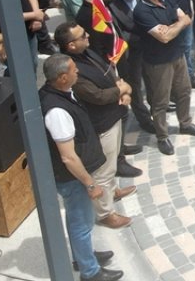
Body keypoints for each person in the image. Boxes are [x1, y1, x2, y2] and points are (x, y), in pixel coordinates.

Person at [38, 55, 125, 281]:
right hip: (72, 178)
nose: (79, 73)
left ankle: (83, 255)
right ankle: (90, 272)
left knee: (79, 220)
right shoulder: (56, 111)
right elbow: (68, 157)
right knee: (82, 223)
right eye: (75, 71)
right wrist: (90, 183)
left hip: (74, 176)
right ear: (63, 77)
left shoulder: (59, 94)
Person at [55, 22, 135, 230]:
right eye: (82, 35)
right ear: (71, 46)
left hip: (114, 113)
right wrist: (121, 90)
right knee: (103, 169)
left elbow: (109, 73)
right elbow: (95, 96)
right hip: (101, 124)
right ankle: (105, 213)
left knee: (112, 162)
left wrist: (123, 90)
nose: (88, 36)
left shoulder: (88, 53)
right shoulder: (73, 69)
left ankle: (112, 190)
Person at [132, 0, 195, 156]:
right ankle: (162, 136)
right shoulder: (142, 11)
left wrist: (173, 26)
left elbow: (186, 19)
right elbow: (163, 37)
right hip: (158, 63)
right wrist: (176, 25)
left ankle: (185, 123)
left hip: (177, 55)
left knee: (184, 91)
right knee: (160, 101)